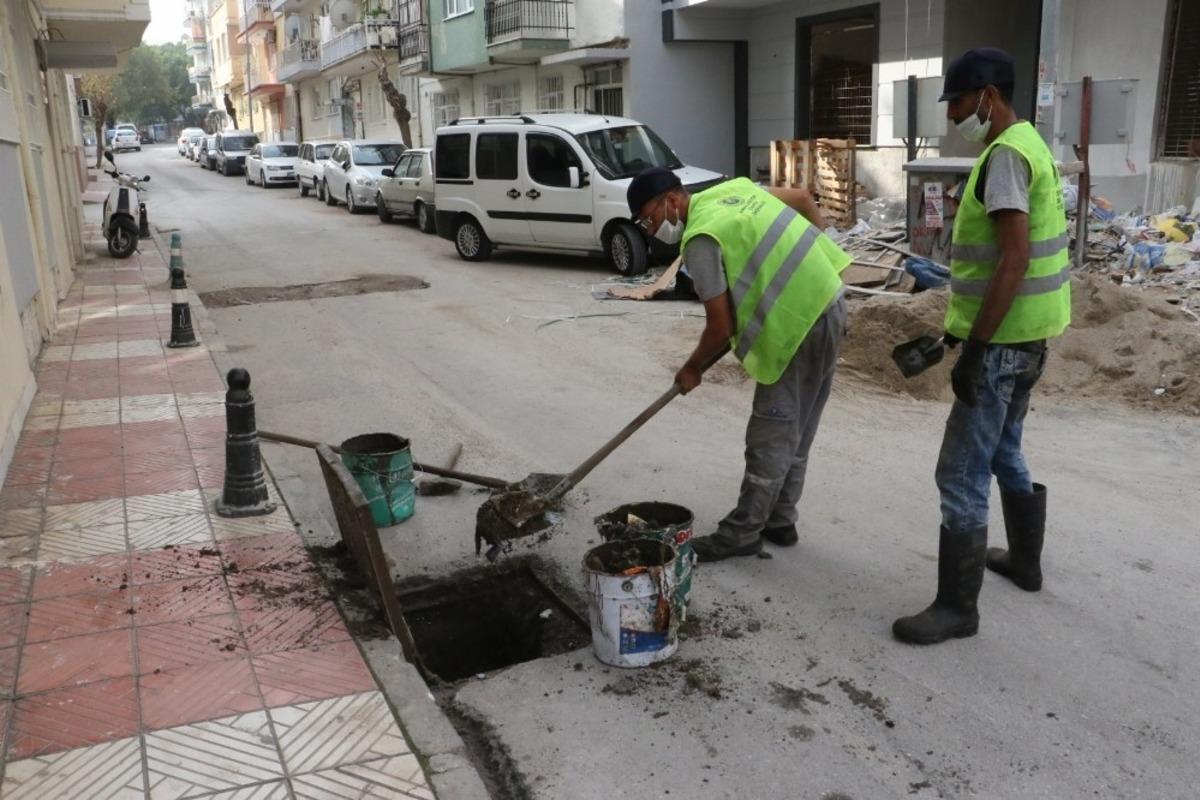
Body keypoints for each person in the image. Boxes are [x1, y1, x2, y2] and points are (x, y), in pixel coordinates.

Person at [892, 48, 1071, 645]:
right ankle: (1024, 562)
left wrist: (975, 350)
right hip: (1030, 336)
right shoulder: (1032, 144)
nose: (953, 115)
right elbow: (1000, 260)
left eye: (959, 102)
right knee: (1006, 447)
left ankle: (957, 610)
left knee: (961, 470)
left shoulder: (1004, 158)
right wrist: (956, 335)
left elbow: (1015, 258)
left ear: (988, 97)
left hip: (1001, 345)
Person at [626, 168, 851, 562]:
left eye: (650, 218)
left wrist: (692, 367)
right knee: (800, 427)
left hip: (795, 327)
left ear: (672, 201)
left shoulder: (700, 239)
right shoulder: (732, 191)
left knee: (771, 435)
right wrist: (820, 258)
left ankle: (743, 532)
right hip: (830, 302)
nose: (649, 229)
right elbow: (800, 198)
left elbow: (720, 326)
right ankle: (780, 519)